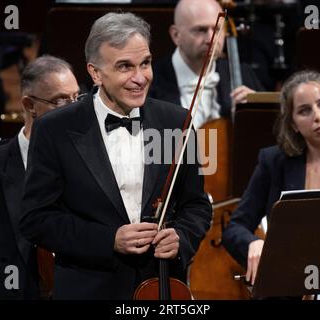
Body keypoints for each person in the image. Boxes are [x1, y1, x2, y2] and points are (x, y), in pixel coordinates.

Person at [19, 12, 211, 300]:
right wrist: (109, 240)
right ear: (95, 73)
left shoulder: (176, 121)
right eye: (124, 67)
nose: (139, 78)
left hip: (160, 288)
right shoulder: (55, 129)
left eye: (145, 63)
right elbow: (36, 219)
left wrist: (181, 237)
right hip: (89, 289)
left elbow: (196, 205)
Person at [222, 70, 320, 286]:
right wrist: (253, 243)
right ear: (293, 123)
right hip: (293, 284)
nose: (317, 116)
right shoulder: (274, 162)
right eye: (304, 111)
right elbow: (234, 228)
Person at [0, 55, 79, 300]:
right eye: (61, 101)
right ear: (29, 106)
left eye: (76, 98)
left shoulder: (91, 166)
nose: (74, 110)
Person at [148, 0, 263, 129]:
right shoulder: (150, 81)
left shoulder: (245, 75)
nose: (211, 38)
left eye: (217, 29)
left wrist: (256, 113)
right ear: (176, 35)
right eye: (201, 30)